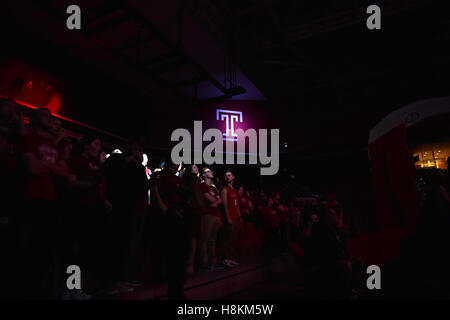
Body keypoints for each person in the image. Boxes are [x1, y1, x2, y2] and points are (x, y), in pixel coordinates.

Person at [18, 107, 69, 299]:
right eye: (44, 115)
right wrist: (53, 167)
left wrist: (45, 164)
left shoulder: (53, 145)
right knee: (30, 252)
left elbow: (64, 172)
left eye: (50, 115)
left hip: (50, 201)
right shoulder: (29, 139)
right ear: (34, 118)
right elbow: (31, 167)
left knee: (45, 253)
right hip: (31, 199)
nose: (48, 118)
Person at [198, 167, 222, 271]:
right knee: (205, 239)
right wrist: (215, 201)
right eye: (208, 171)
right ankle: (204, 263)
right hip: (207, 215)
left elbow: (219, 200)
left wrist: (214, 203)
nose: (211, 172)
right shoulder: (202, 186)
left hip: (215, 214)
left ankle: (212, 262)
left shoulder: (213, 188)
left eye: (211, 171)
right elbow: (211, 199)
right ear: (203, 175)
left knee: (212, 240)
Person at [220, 170, 242, 267]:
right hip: (229, 218)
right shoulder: (225, 190)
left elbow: (236, 205)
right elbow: (224, 205)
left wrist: (240, 217)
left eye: (229, 175)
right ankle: (226, 259)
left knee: (233, 239)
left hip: (235, 218)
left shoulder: (234, 191)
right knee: (227, 239)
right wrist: (228, 217)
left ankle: (231, 258)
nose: (227, 177)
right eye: (226, 176)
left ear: (233, 177)